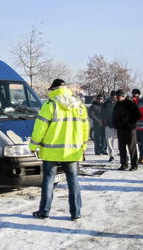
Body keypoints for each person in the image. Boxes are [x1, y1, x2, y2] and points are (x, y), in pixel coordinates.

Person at [28, 79, 89, 220]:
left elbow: (40, 128)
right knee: (73, 181)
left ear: (53, 90)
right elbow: (86, 128)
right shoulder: (79, 106)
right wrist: (83, 146)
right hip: (72, 152)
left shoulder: (49, 105)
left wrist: (33, 145)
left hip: (51, 151)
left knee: (48, 181)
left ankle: (44, 211)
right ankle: (76, 213)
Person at [112, 89, 140, 171]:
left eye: (118, 96)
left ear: (123, 96)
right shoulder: (116, 105)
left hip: (129, 129)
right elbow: (114, 116)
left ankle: (134, 165)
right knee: (121, 148)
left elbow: (138, 115)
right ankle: (124, 164)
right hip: (120, 129)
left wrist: (129, 121)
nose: (116, 97)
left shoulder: (130, 104)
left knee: (131, 147)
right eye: (116, 96)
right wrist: (115, 124)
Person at [100, 91, 116, 163]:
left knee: (123, 141)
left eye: (116, 96)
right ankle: (111, 155)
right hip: (109, 124)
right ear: (111, 96)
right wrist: (104, 124)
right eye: (114, 96)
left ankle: (125, 155)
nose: (115, 97)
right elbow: (102, 114)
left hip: (118, 125)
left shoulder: (119, 103)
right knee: (109, 141)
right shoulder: (106, 103)